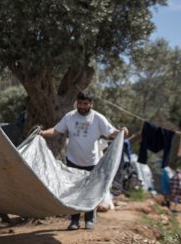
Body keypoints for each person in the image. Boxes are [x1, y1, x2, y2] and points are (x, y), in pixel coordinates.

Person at [39, 91, 127, 231]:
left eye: (85, 103)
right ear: (77, 103)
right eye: (80, 103)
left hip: (92, 161)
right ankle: (74, 221)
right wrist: (42, 133)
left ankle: (89, 219)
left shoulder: (98, 118)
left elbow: (111, 132)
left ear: (91, 104)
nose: (82, 106)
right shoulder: (70, 117)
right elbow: (56, 131)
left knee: (90, 192)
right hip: (73, 160)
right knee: (74, 191)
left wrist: (121, 131)